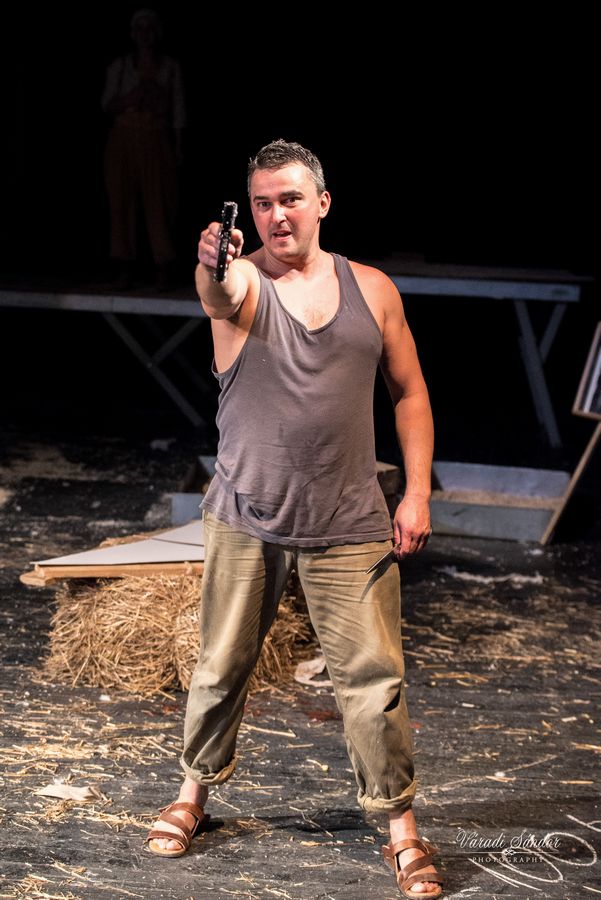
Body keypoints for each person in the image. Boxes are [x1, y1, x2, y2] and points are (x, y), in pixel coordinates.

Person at [145, 140, 443, 898]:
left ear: (322, 203)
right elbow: (217, 293)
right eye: (262, 203)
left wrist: (415, 493)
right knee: (220, 666)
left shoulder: (372, 289)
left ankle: (400, 828)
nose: (276, 215)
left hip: (350, 518)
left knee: (373, 681)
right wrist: (211, 262)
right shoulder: (244, 281)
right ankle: (192, 793)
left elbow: (409, 392)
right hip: (247, 512)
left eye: (290, 199)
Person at [101, 9, 185, 289]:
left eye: (150, 29)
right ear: (133, 34)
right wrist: (132, 97)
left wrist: (178, 146)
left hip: (155, 137)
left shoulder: (169, 67)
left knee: (158, 200)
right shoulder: (122, 67)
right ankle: (123, 263)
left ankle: (163, 264)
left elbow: (178, 110)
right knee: (122, 200)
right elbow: (107, 104)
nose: (145, 35)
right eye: (140, 29)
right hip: (124, 137)